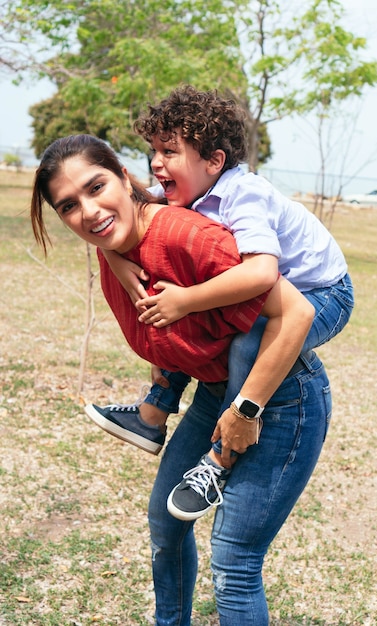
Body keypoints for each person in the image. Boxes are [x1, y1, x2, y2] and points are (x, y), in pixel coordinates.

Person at [30, 133, 330, 624]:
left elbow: (294, 311)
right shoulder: (118, 257)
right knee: (166, 524)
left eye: (96, 186)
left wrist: (245, 410)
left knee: (234, 561)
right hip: (217, 391)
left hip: (280, 399)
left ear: (126, 179)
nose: (88, 210)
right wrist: (111, 253)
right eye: (68, 206)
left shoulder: (188, 236)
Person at [88, 84, 354, 519]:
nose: (156, 162)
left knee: (248, 335)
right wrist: (114, 258)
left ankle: (219, 460)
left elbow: (262, 272)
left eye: (170, 151)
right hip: (281, 290)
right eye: (153, 150)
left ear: (214, 161)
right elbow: (125, 218)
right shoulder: (186, 195)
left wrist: (187, 302)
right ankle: (152, 414)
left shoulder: (241, 194)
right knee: (184, 280)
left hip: (323, 291)